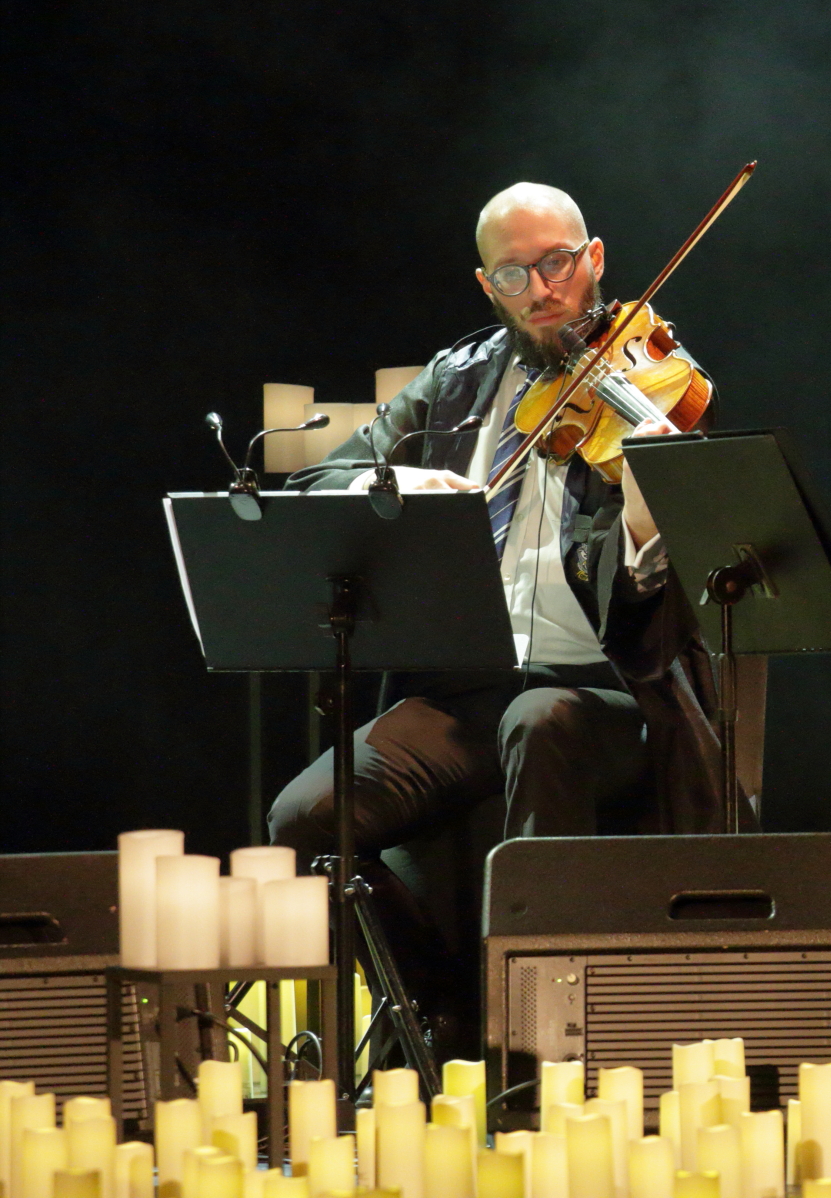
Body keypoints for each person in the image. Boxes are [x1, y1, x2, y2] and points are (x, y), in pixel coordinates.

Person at [268, 183, 739, 1038]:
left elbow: (656, 620)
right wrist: (403, 480)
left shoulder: (652, 382)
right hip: (466, 693)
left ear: (594, 259)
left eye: (557, 262)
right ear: (489, 286)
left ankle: (537, 1033)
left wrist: (649, 510)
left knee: (540, 718)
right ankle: (440, 1011)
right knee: (304, 818)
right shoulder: (458, 381)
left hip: (610, 693)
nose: (543, 289)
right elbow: (317, 480)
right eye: (515, 274)